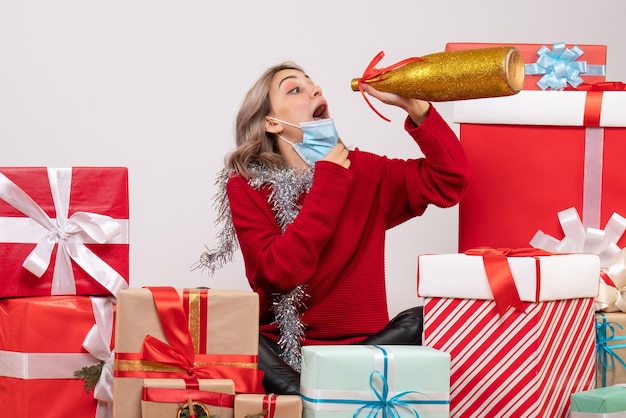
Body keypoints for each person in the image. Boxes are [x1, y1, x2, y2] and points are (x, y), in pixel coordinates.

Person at [196, 61, 471, 394]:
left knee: (427, 317)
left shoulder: (368, 172)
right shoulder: (247, 186)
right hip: (282, 360)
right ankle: (312, 394)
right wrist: (330, 180)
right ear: (271, 123)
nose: (315, 90)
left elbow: (450, 181)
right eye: (294, 89)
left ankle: (319, 391)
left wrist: (417, 109)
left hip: (363, 352)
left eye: (313, 84)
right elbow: (278, 273)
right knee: (220, 317)